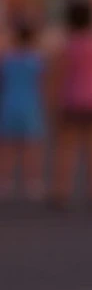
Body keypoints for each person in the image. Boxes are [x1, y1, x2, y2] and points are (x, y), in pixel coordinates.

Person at [49, 0, 92, 209]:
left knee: (66, 148)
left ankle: (61, 190)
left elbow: (58, 74)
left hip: (72, 100)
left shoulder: (68, 45)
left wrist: (52, 100)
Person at [0, 21, 47, 201]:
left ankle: (4, 181)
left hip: (9, 104)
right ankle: (33, 182)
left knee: (7, 148)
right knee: (31, 147)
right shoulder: (35, 60)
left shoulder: (7, 59)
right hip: (30, 106)